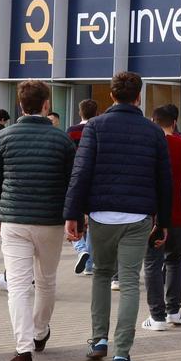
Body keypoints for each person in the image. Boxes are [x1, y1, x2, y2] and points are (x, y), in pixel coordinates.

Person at [63, 71, 173, 361]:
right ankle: (122, 352)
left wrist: (73, 215)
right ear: (138, 96)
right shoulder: (153, 133)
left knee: (101, 275)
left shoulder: (95, 127)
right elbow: (165, 181)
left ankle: (99, 340)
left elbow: (81, 172)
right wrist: (163, 221)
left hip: (100, 215)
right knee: (128, 283)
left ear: (111, 96)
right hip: (138, 217)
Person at [0, 80, 76, 361]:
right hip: (50, 221)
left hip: (14, 220)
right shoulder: (62, 140)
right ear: (46, 105)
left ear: (20, 105)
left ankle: (23, 349)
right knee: (46, 280)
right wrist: (74, 217)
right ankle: (39, 332)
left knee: (19, 287)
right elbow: (72, 182)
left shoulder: (4, 137)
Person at [142, 103, 181, 331]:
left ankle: (157, 315)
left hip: (155, 216)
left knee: (153, 263)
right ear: (175, 122)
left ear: (153, 122)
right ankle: (174, 310)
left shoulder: (149, 146)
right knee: (176, 260)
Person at [69, 99, 99, 276]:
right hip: (95, 180)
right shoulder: (98, 129)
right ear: (96, 112)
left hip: (75, 178)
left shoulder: (71, 131)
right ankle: (89, 264)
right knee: (93, 222)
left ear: (80, 112)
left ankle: (81, 249)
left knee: (74, 216)